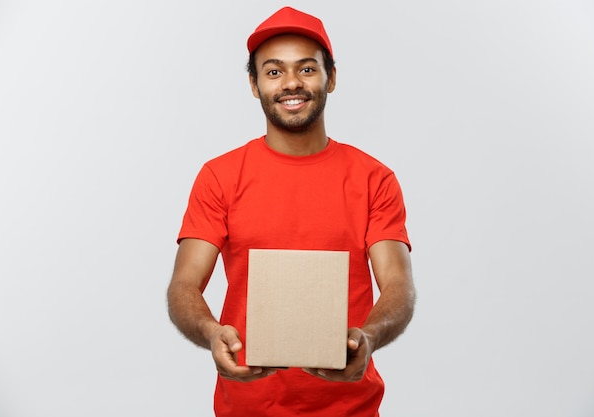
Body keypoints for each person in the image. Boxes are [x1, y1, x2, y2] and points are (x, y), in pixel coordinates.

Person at [166, 6, 416, 417]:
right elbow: (183, 285)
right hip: (246, 406)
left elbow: (398, 288)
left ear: (331, 78)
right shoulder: (220, 176)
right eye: (274, 71)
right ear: (254, 83)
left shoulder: (374, 178)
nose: (291, 84)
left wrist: (368, 338)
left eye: (306, 69)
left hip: (350, 407)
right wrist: (211, 333)